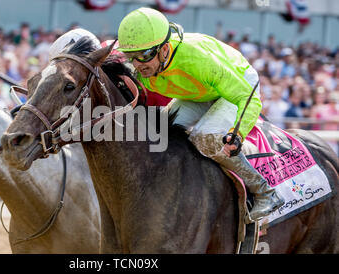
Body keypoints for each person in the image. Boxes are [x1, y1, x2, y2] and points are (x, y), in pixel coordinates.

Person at [116, 7, 285, 221]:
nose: (138, 65)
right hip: (202, 91)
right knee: (158, 130)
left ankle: (265, 193)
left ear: (165, 49)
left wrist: (237, 133)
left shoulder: (198, 59)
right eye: (132, 57)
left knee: (204, 137)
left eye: (146, 55)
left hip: (238, 86)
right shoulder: (141, 67)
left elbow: (247, 97)